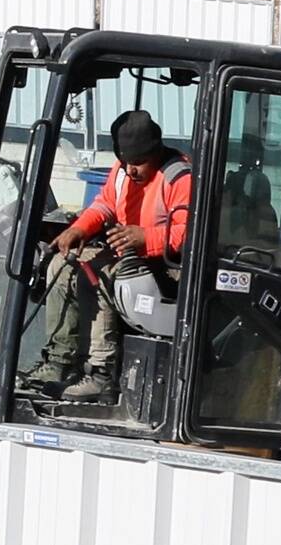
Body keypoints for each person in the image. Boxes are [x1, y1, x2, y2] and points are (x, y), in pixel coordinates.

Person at [22, 107, 192, 412]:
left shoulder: (179, 176)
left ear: (155, 152)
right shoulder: (122, 169)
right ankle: (61, 360)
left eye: (139, 163)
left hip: (170, 265)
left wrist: (146, 237)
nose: (132, 170)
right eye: (127, 162)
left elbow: (191, 233)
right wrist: (78, 229)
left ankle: (101, 372)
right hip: (129, 251)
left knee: (97, 273)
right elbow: (105, 205)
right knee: (64, 264)